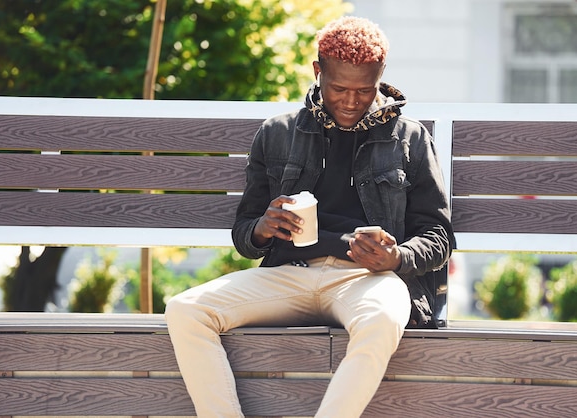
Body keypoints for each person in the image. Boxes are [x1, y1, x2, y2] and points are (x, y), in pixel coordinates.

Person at [165, 16, 455, 418]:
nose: (352, 101)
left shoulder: (410, 138)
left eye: (364, 90)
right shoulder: (277, 133)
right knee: (185, 310)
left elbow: (438, 236)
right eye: (339, 88)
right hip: (290, 273)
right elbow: (244, 232)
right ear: (318, 72)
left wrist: (396, 257)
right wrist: (263, 229)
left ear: (380, 77)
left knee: (384, 319)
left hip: (368, 279)